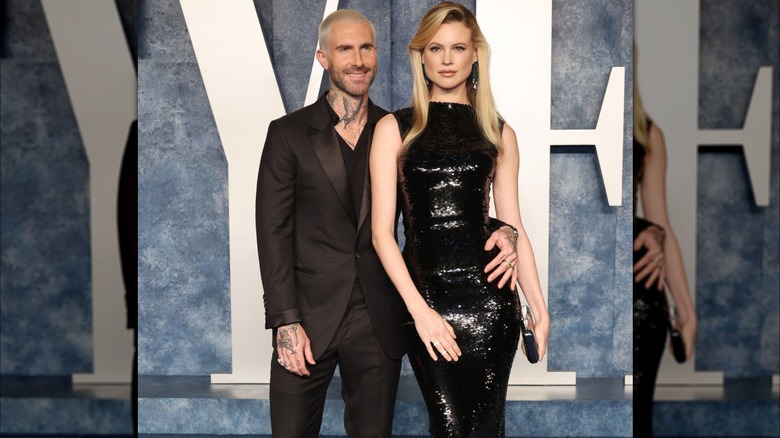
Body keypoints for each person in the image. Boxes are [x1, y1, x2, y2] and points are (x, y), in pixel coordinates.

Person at [256, 9, 518, 437]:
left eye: (366, 48)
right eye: (345, 49)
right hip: (308, 317)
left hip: (378, 318)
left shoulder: (399, 129)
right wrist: (286, 321)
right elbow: (272, 232)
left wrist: (504, 228)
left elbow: (441, 205)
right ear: (323, 58)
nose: (358, 59)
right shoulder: (287, 133)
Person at [370, 3, 549, 436]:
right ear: (422, 56)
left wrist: (539, 310)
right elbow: (380, 234)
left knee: (485, 428)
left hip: (491, 304)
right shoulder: (395, 128)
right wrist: (420, 312)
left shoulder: (498, 132)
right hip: (427, 301)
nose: (447, 59)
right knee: (449, 426)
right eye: (436, 48)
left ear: (474, 56)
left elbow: (514, 225)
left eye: (457, 48)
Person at [633, 44, 697, 437]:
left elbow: (663, 224)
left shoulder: (647, 133)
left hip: (642, 293)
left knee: (638, 417)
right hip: (578, 287)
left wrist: (687, 312)